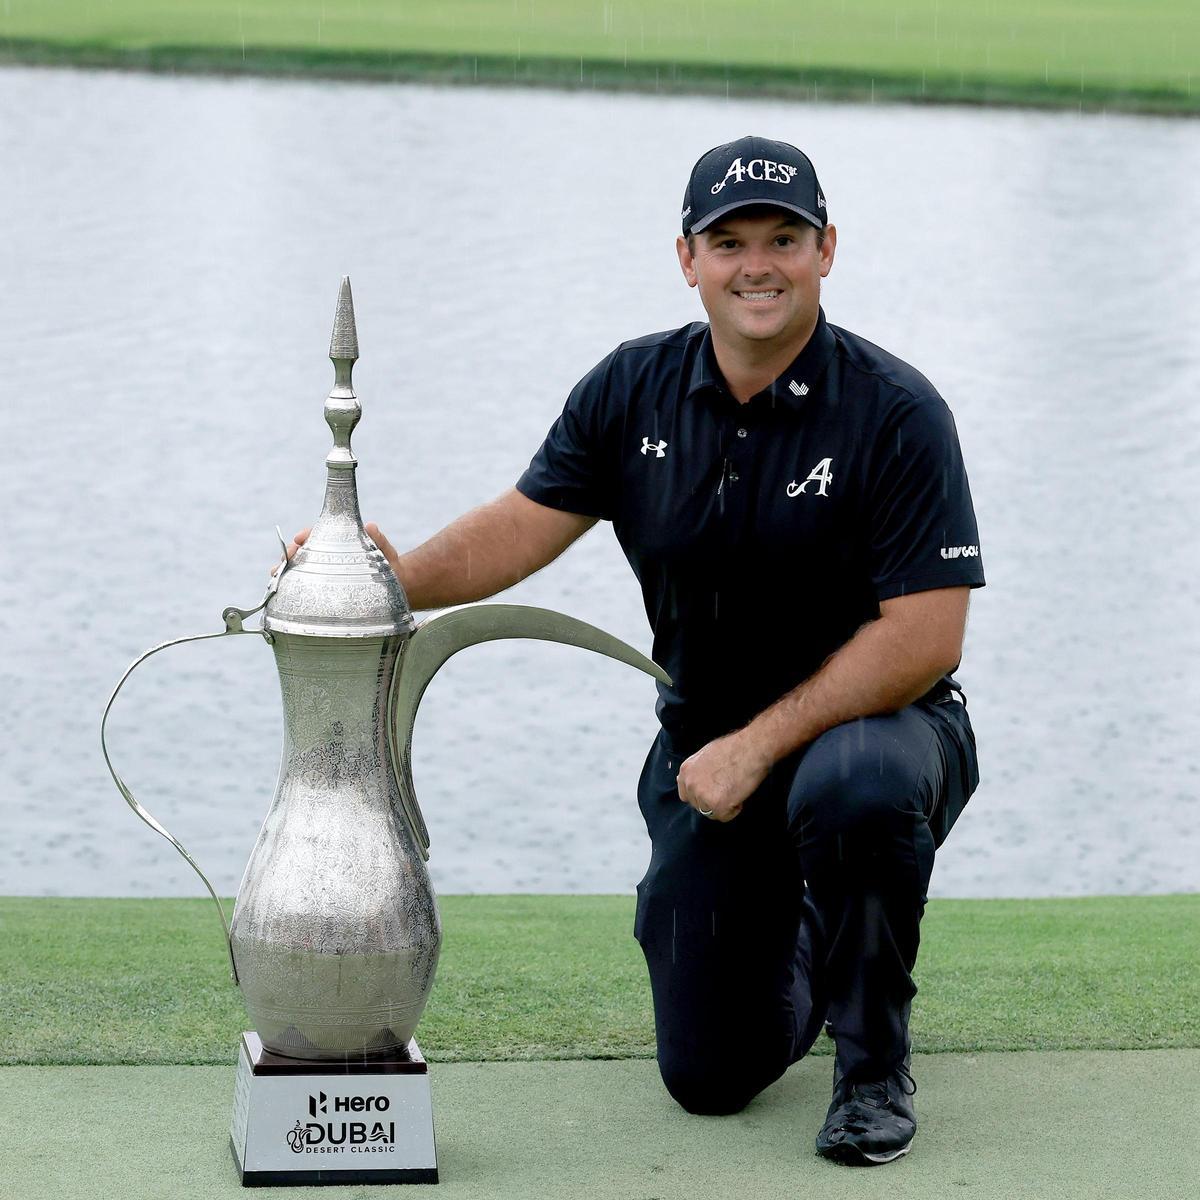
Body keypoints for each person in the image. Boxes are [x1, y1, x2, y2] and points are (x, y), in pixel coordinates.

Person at [292, 135, 984, 1166]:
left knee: (857, 788)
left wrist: (762, 746)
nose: (758, 262)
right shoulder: (631, 389)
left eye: (784, 238)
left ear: (826, 249)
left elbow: (927, 636)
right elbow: (523, 524)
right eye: (730, 240)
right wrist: (389, 573)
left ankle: (873, 1070)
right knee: (708, 1076)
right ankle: (825, 948)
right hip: (705, 759)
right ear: (687, 258)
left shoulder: (898, 413)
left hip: (878, 730)